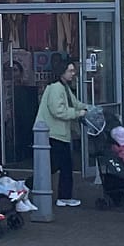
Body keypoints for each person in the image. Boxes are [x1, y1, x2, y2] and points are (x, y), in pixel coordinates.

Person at [37, 60, 90, 206]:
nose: (73, 74)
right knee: (59, 166)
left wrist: (87, 108)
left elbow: (74, 103)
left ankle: (62, 195)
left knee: (57, 165)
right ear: (62, 72)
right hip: (54, 133)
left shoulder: (62, 87)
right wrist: (79, 113)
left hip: (58, 132)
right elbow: (58, 110)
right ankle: (62, 196)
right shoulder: (56, 88)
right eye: (70, 71)